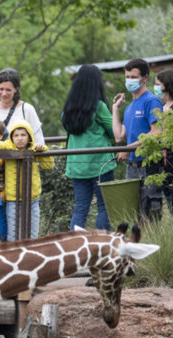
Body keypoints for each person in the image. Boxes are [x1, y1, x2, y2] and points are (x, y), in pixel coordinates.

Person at [61, 64, 116, 231]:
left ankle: (75, 245)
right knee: (104, 206)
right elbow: (114, 132)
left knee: (81, 207)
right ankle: (102, 245)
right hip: (100, 164)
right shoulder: (99, 107)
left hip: (77, 165)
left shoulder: (68, 110)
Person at [0, 119, 54, 239]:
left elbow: (48, 165)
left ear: (29, 136)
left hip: (32, 198)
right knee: (13, 235)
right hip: (13, 199)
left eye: (23, 135)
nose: (19, 138)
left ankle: (31, 256)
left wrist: (44, 150)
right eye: (16, 135)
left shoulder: (34, 148)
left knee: (32, 233)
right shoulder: (8, 146)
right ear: (11, 137)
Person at [112, 58, 164, 218]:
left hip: (150, 165)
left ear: (145, 78)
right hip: (132, 166)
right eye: (127, 77)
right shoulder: (129, 107)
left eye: (133, 77)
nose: (129, 81)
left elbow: (157, 132)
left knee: (150, 214)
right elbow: (119, 136)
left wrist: (130, 148)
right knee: (133, 214)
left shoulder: (151, 101)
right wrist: (115, 109)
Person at [146, 69, 173, 219]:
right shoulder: (163, 105)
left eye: (158, 84)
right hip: (165, 164)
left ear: (167, 84)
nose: (156, 87)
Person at [0, 68, 43, 144]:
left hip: (22, 155)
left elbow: (38, 140)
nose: (4, 94)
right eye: (1, 89)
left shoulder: (27, 109)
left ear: (16, 89)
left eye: (8, 90)